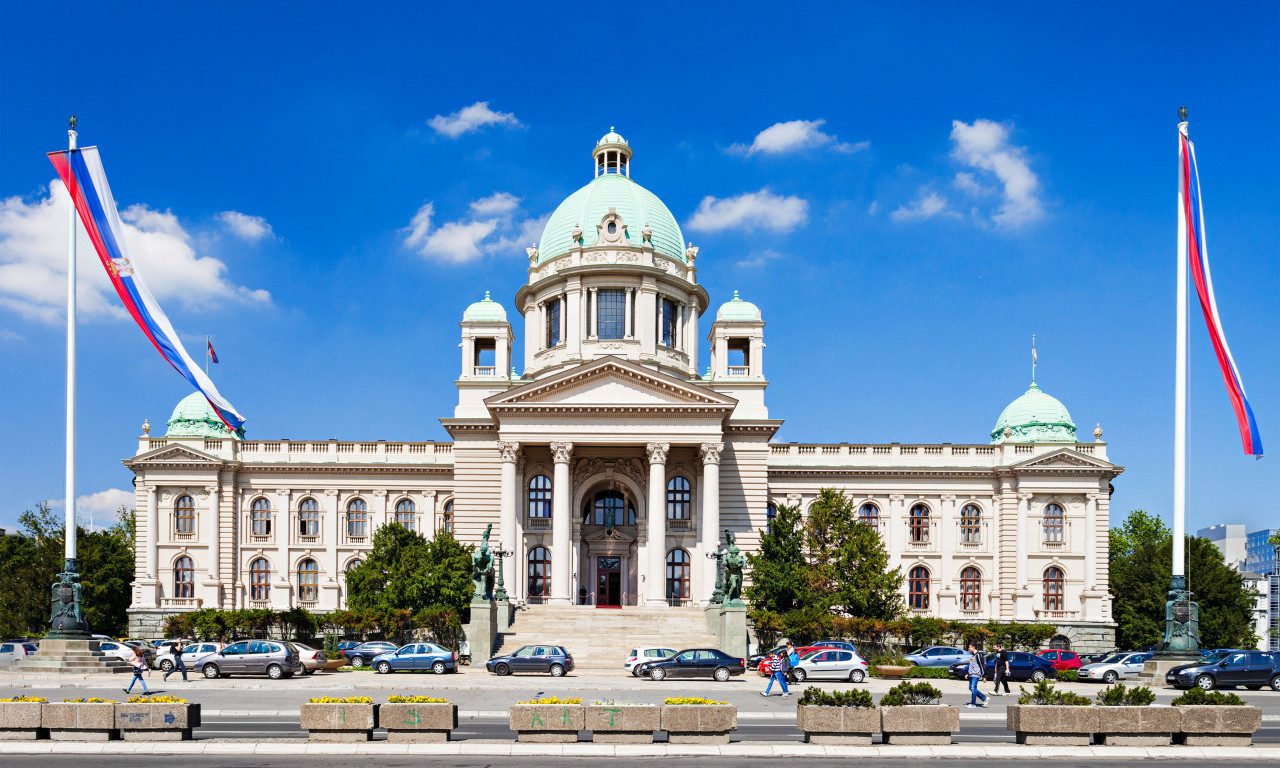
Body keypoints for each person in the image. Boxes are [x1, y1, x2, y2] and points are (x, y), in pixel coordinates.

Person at [964, 643, 988, 708]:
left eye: (969, 647)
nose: (968, 648)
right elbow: (972, 666)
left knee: (973, 688)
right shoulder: (973, 656)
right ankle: (984, 698)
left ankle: (973, 704)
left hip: (976, 674)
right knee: (971, 688)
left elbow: (982, 665)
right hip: (971, 674)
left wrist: (984, 676)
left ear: (973, 648)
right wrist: (968, 674)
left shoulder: (978, 655)